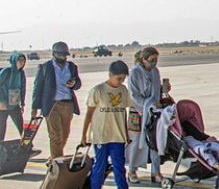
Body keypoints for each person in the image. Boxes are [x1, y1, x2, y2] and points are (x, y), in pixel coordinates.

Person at [81, 60, 132, 189]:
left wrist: (126, 134)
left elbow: (123, 113)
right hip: (101, 136)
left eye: (123, 79)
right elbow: (89, 114)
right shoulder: (98, 90)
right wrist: (84, 135)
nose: (121, 81)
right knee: (100, 166)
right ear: (110, 75)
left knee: (119, 167)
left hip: (118, 136)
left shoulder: (123, 90)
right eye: (118, 78)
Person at [31, 41, 82, 159]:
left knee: (64, 135)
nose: (63, 57)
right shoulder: (45, 67)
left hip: (68, 105)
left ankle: (54, 158)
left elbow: (78, 83)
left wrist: (74, 84)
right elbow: (37, 87)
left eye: (64, 55)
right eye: (60, 54)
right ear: (53, 54)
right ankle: (57, 162)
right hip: (52, 105)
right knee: (56, 136)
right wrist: (34, 107)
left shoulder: (72, 67)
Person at [126, 47, 164, 184]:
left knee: (155, 140)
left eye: (156, 60)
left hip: (153, 111)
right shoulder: (134, 73)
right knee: (136, 142)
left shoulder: (155, 71)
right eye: (152, 60)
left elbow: (156, 90)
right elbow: (133, 94)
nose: (154, 63)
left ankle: (156, 172)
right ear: (143, 60)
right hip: (138, 111)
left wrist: (162, 94)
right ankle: (132, 170)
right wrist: (145, 106)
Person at [0, 52, 26, 141]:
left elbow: (22, 89)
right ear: (14, 60)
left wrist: (22, 104)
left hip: (14, 105)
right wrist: (0, 101)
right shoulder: (6, 71)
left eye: (23, 60)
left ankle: (26, 144)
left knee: (21, 127)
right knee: (1, 129)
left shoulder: (21, 73)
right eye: (19, 60)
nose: (21, 62)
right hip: (3, 106)